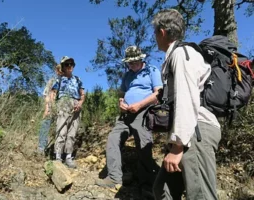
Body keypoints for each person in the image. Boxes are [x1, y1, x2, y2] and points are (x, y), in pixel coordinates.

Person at [152, 9, 221, 200]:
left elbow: (187, 97)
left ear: (162, 32)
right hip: (188, 132)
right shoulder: (176, 55)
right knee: (163, 190)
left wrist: (178, 146)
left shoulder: (182, 54)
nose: (155, 37)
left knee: (200, 195)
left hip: (196, 130)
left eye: (155, 33)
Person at [95, 46, 162, 197]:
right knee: (113, 138)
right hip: (126, 114)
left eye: (134, 62)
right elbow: (122, 94)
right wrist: (121, 103)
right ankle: (114, 177)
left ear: (141, 59)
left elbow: (158, 93)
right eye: (129, 63)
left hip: (144, 111)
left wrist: (139, 104)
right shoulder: (127, 76)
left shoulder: (152, 70)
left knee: (143, 142)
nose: (132, 65)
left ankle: (147, 184)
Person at [49, 56, 85, 168]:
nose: (69, 66)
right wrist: (52, 107)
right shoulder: (58, 79)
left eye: (71, 64)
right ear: (63, 66)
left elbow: (82, 94)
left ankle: (68, 156)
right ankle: (58, 157)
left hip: (76, 104)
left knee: (72, 132)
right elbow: (53, 93)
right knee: (61, 130)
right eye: (67, 64)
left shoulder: (78, 79)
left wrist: (80, 103)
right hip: (63, 102)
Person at [37, 64, 62, 153]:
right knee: (45, 124)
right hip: (52, 106)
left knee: (60, 130)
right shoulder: (52, 81)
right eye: (59, 70)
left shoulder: (67, 82)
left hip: (62, 109)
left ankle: (57, 152)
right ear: (57, 71)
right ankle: (41, 148)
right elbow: (46, 94)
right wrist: (47, 107)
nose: (61, 72)